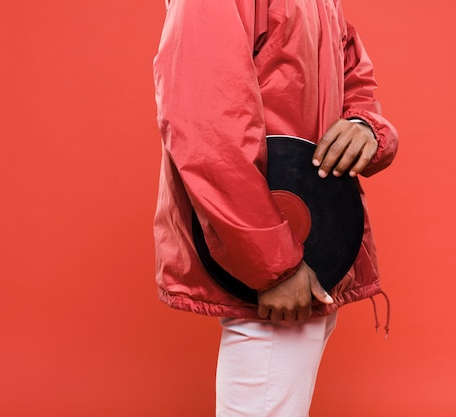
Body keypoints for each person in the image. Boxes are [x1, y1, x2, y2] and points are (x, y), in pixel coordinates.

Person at [152, 0, 398, 415]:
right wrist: (274, 266)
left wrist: (366, 127)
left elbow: (352, 74)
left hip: (310, 252)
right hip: (274, 264)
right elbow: (207, 130)